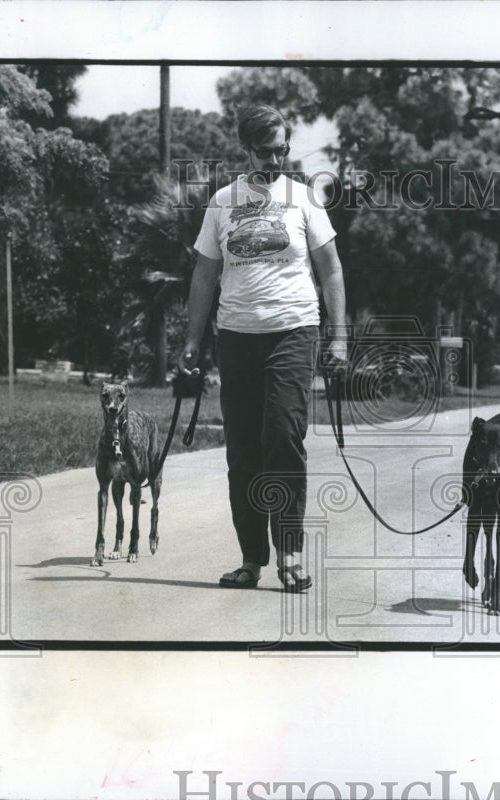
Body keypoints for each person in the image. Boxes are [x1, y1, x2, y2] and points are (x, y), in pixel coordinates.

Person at [181, 104, 347, 592]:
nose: (274, 161)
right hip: (235, 337)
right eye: (265, 152)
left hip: (293, 330)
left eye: (282, 150)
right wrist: (192, 342)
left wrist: (338, 337)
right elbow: (205, 274)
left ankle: (290, 555)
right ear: (245, 149)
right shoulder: (221, 202)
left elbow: (331, 269)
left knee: (283, 438)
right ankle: (251, 559)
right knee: (244, 451)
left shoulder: (304, 199)